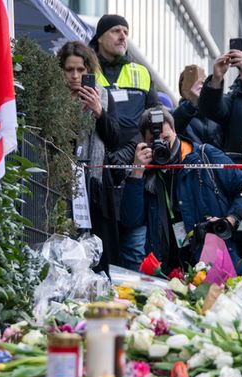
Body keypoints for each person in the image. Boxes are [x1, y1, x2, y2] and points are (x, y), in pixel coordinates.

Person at [120, 107, 242, 273]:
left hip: (214, 260)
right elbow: (131, 220)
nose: (163, 146)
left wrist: (231, 220)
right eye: (155, 142)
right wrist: (137, 172)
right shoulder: (144, 170)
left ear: (175, 130)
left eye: (166, 138)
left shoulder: (204, 156)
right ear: (143, 142)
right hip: (168, 268)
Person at [89, 14, 158, 270]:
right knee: (99, 249)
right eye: (116, 30)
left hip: (133, 166)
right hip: (98, 166)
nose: (122, 36)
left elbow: (155, 117)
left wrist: (134, 148)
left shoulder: (141, 72)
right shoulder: (86, 70)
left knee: (131, 249)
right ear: (100, 37)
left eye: (125, 32)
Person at [57, 41, 121, 274]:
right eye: (69, 69)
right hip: (59, 185)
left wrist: (98, 112)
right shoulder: (53, 99)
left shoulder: (102, 96)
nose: (75, 76)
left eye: (81, 70)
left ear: (89, 71)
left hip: (95, 187)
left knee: (98, 256)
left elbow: (115, 139)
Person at [172, 65, 223, 148]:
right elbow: (174, 127)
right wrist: (192, 103)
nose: (197, 87)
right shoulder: (176, 114)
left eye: (203, 83)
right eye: (190, 82)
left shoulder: (217, 113)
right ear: (182, 87)